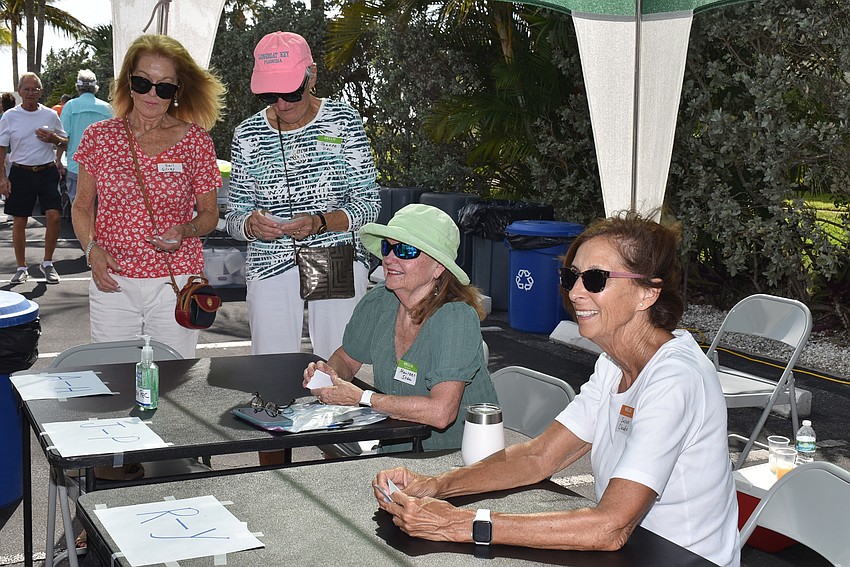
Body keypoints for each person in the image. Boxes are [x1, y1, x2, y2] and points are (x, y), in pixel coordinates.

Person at [373, 212, 740, 567]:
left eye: (595, 279)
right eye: (571, 276)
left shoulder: (675, 378)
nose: (576, 292)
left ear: (647, 294)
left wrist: (457, 524)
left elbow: (610, 527)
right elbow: (538, 458)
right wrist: (436, 486)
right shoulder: (613, 365)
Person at [225, 31, 380, 361]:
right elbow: (234, 216)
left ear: (312, 76)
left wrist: (321, 222)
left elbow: (369, 204)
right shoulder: (247, 134)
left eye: (291, 91)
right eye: (270, 94)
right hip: (268, 261)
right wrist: (251, 226)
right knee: (271, 364)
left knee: (335, 362)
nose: (282, 103)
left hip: (332, 253)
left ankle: (337, 415)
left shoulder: (342, 121)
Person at [71, 34, 225, 358]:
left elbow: (209, 214)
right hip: (111, 279)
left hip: (176, 283)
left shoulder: (196, 141)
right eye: (144, 82)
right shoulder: (99, 137)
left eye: (164, 86)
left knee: (174, 380)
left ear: (177, 90)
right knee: (111, 378)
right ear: (130, 81)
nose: (152, 94)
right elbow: (82, 206)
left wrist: (185, 230)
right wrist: (92, 251)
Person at [304, 204, 499, 454]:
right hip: (395, 449)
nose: (389, 258)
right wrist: (330, 377)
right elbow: (346, 358)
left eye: (406, 250)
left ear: (438, 267)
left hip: (455, 458)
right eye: (387, 247)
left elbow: (441, 413)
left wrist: (362, 398)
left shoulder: (455, 317)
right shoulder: (380, 301)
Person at [0, 73, 68, 285]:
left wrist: (54, 139)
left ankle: (47, 263)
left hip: (47, 171)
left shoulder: (50, 115)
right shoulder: (9, 116)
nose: (30, 93)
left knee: (54, 216)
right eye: (26, 89)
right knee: (19, 220)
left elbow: (64, 141)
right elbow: (1, 148)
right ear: (19, 92)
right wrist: (2, 177)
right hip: (20, 172)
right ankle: (21, 267)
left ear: (41, 91)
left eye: (35, 89)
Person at [57, 70, 113, 203]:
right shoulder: (107, 108)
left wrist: (58, 159)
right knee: (100, 209)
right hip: (102, 169)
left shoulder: (70, 106)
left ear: (78, 88)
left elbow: (63, 137)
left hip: (75, 166)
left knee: (78, 207)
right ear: (95, 88)